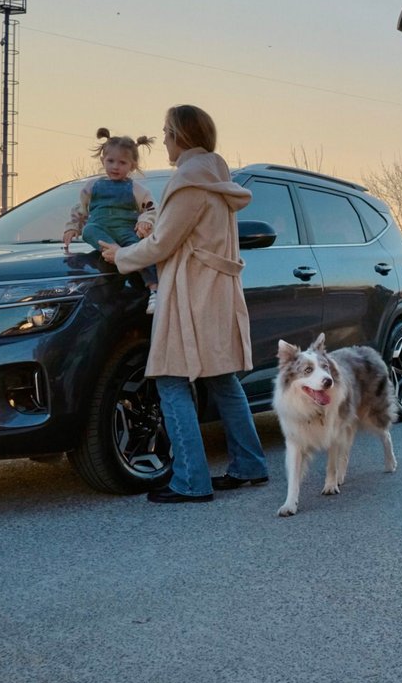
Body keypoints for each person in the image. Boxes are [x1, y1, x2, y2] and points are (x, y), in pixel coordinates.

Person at [99, 105, 270, 504]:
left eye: (166, 132)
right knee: (223, 378)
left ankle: (191, 481)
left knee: (170, 378)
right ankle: (249, 464)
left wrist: (121, 255)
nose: (163, 140)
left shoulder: (189, 181)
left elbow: (163, 243)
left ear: (180, 135)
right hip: (218, 292)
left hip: (192, 294)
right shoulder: (216, 176)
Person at [65, 128, 160, 313]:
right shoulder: (92, 186)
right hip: (101, 231)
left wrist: (145, 221)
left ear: (132, 165)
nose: (115, 166)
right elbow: (81, 209)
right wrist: (72, 227)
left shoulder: (136, 189)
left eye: (122, 162)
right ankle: (116, 253)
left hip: (126, 231)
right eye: (111, 161)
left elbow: (151, 208)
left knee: (141, 252)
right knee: (88, 230)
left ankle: (155, 290)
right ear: (103, 161)